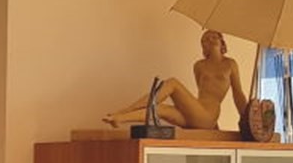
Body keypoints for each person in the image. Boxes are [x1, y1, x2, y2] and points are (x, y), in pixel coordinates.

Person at [104, 29, 249, 130]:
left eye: (214, 37)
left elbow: (238, 95)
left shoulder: (230, 64)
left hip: (209, 116)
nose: (210, 40)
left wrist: (246, 120)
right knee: (159, 110)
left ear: (222, 42)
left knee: (173, 83)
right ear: (203, 46)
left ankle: (127, 109)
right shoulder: (199, 66)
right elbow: (201, 92)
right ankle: (121, 118)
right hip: (196, 113)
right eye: (205, 39)